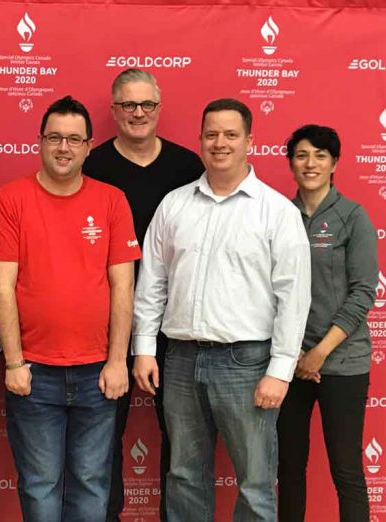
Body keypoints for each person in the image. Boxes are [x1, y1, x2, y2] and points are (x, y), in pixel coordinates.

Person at [132, 98, 311, 521]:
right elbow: (153, 281)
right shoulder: (174, 205)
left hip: (247, 362)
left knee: (255, 480)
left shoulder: (277, 212)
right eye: (211, 134)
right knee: (183, 475)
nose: (220, 143)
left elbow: (294, 297)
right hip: (180, 360)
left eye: (231, 134)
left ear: (250, 141)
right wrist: (143, 347)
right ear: (200, 140)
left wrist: (280, 369)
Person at [0, 95, 141, 521]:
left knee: (92, 485)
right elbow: (3, 287)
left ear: (89, 145)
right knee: (40, 486)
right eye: (54, 137)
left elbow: (122, 287)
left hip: (97, 372)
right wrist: (14, 362)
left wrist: (117, 361)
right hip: (34, 372)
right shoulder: (11, 199)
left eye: (74, 139)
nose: (64, 147)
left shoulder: (112, 201)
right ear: (39, 141)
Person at [82, 68, 204, 521]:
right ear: (114, 111)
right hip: (103, 322)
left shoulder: (188, 166)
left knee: (181, 441)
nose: (138, 113)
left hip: (176, 324)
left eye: (147, 105)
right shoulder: (90, 166)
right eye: (128, 105)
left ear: (159, 108)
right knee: (100, 441)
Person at [277, 125, 378, 521]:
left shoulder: (354, 217)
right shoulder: (280, 215)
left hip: (341, 361)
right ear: (291, 163)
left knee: (347, 470)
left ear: (334, 162)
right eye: (301, 155)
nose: (310, 163)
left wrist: (318, 353)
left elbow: (363, 293)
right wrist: (296, 352)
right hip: (289, 361)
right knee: (288, 468)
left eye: (320, 155)